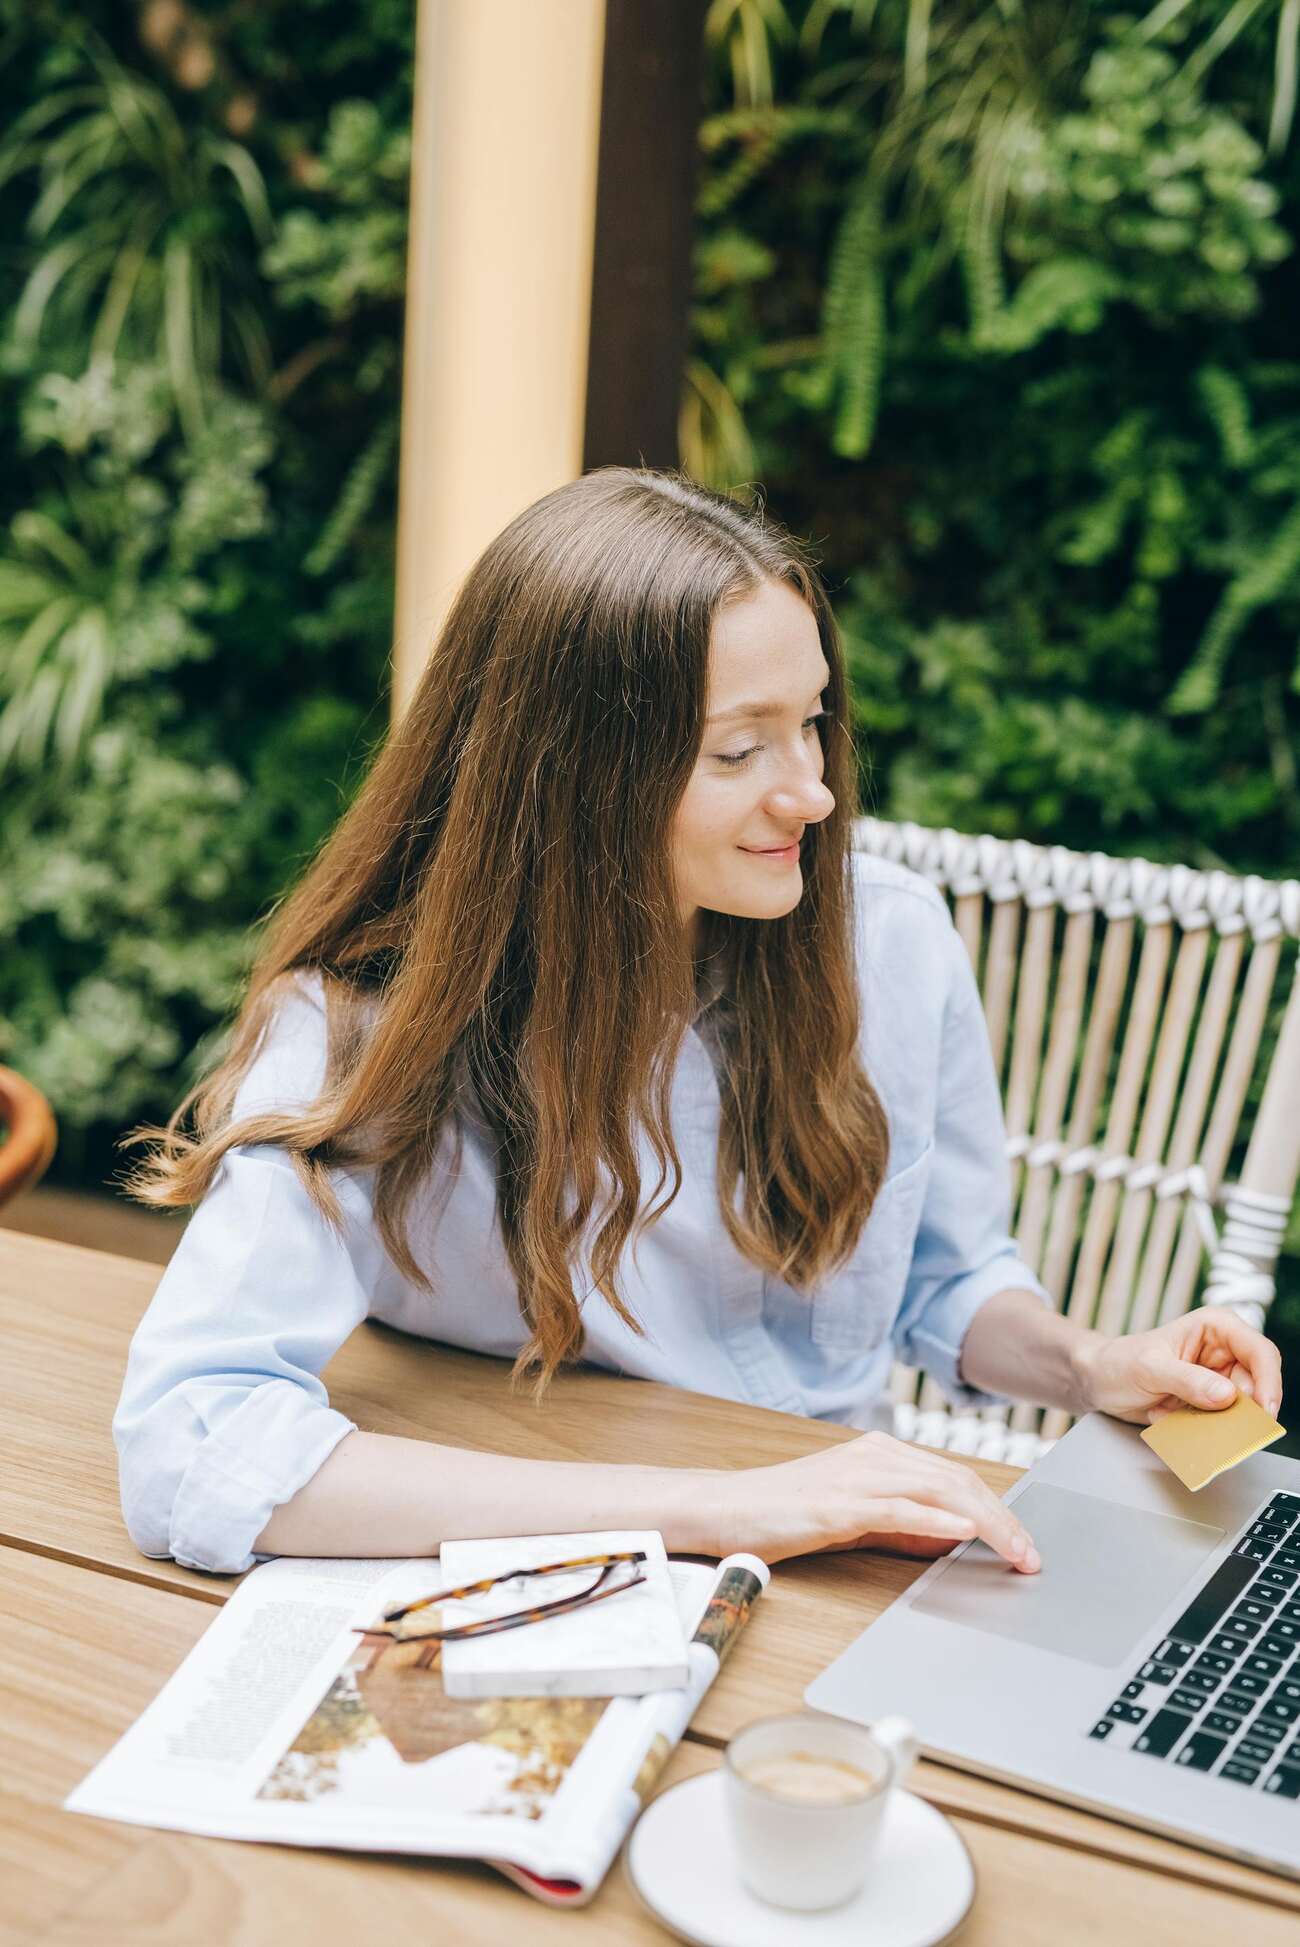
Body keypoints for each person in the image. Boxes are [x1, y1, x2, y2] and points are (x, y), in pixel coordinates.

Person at [115, 467, 1283, 1581]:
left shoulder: (888, 944)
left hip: (858, 1548)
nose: (813, 792)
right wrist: (717, 1511)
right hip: (575, 1542)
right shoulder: (363, 1027)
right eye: (738, 748)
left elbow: (944, 1280)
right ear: (572, 776)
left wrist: (1091, 1364)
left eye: (812, 722)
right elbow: (192, 1446)